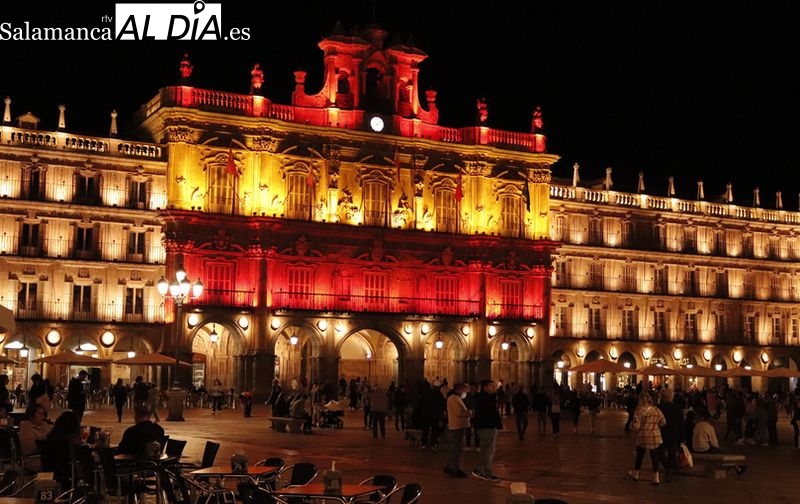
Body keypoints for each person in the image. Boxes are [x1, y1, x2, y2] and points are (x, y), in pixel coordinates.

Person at [627, 392, 666, 485]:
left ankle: (636, 473)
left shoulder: (639, 410)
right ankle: (655, 477)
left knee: (640, 455)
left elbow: (636, 426)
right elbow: (663, 422)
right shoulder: (656, 409)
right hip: (655, 436)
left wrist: (631, 427)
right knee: (654, 456)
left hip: (643, 436)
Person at [472, 379, 503, 481]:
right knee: (489, 450)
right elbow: (489, 413)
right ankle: (487, 472)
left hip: (485, 426)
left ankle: (479, 469)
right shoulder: (485, 398)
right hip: (487, 426)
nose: (494, 387)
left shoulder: (484, 397)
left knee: (485, 450)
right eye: (491, 386)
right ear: (485, 387)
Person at [444, 383, 471, 478]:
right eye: (463, 390)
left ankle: (450, 466)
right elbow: (459, 412)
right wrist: (470, 413)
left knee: (455, 448)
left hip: (459, 425)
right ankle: (454, 468)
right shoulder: (454, 399)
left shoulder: (456, 398)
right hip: (457, 426)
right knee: (456, 448)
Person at [657, 388, 684, 480]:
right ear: (672, 397)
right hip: (674, 434)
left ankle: (668, 467)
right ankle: (670, 468)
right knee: (672, 453)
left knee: (660, 453)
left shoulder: (659, 408)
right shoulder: (678, 408)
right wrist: (682, 436)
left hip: (662, 434)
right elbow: (681, 424)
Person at [19, 402, 53, 472]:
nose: (43, 417)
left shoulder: (42, 426)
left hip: (43, 457)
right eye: (39, 414)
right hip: (32, 459)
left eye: (43, 414)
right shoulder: (26, 429)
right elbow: (32, 448)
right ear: (31, 416)